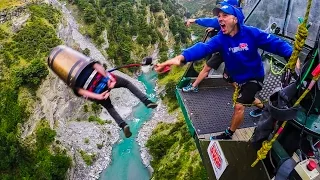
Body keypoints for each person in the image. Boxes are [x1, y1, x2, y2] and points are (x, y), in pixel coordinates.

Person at [154, 4, 293, 140]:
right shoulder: (221, 39)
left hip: (253, 77)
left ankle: (229, 133)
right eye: (219, 16)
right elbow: (203, 48)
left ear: (235, 19)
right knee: (245, 97)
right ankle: (264, 108)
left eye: (225, 15)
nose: (220, 19)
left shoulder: (251, 33)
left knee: (239, 106)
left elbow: (274, 43)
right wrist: (180, 58)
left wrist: (290, 54)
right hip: (236, 77)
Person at [74, 62, 157, 138]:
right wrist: (110, 79)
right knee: (127, 84)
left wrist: (98, 96)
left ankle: (123, 124)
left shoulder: (72, 79)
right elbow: (97, 66)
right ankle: (146, 101)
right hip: (103, 80)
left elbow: (81, 92)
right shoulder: (82, 61)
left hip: (95, 92)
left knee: (109, 107)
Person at [182, 0, 242, 93]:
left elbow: (212, 21)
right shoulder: (237, 16)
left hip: (230, 51)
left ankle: (240, 90)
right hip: (225, 49)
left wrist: (194, 20)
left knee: (229, 78)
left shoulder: (233, 16)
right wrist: (215, 28)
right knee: (208, 67)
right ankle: (194, 85)